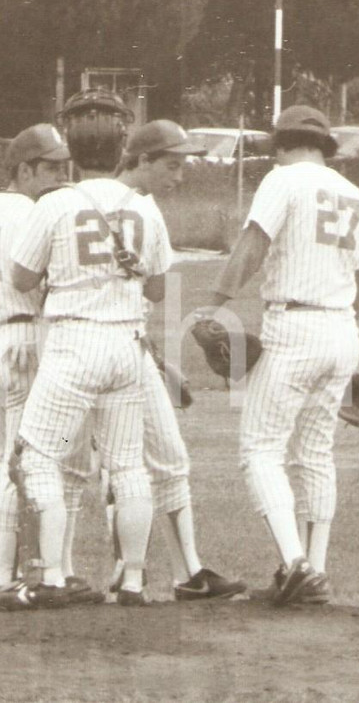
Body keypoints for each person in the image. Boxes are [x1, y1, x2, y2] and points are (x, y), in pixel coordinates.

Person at [199, 105, 359, 605]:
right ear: (325, 146)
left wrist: (215, 303)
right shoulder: (355, 194)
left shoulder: (282, 180)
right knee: (315, 454)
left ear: (280, 144)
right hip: (341, 328)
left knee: (260, 448)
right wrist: (351, 340)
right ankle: (314, 570)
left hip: (294, 325)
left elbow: (253, 246)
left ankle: (296, 565)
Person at [6, 88, 170, 608]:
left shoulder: (56, 202)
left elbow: (20, 277)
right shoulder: (144, 207)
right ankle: (135, 580)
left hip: (75, 345)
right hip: (126, 347)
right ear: (122, 146)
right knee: (127, 466)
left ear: (71, 149)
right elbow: (158, 289)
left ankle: (53, 577)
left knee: (38, 457)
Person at [0, 123, 107, 608]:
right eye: (51, 168)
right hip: (26, 342)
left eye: (65, 166)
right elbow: (43, 287)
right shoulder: (34, 213)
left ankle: (39, 571)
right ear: (23, 170)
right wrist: (28, 340)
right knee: (23, 461)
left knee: (25, 457)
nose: (62, 176)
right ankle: (4, 579)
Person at [100, 119, 246, 601]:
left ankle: (188, 574)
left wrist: (156, 356)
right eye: (172, 165)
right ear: (141, 159)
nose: (179, 176)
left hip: (127, 347)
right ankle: (85, 573)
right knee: (93, 460)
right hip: (93, 353)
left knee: (166, 458)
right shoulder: (135, 208)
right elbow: (157, 289)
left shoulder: (104, 202)